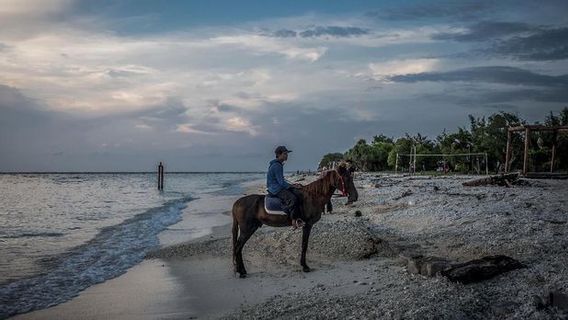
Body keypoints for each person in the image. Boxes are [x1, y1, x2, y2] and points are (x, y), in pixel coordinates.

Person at [267, 146, 304, 228]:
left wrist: (293, 185)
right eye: (285, 154)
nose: (287, 156)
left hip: (276, 186)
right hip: (275, 188)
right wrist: (292, 186)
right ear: (279, 155)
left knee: (297, 192)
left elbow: (281, 180)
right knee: (293, 199)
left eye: (287, 154)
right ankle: (293, 218)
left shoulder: (278, 164)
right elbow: (281, 182)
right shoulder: (277, 166)